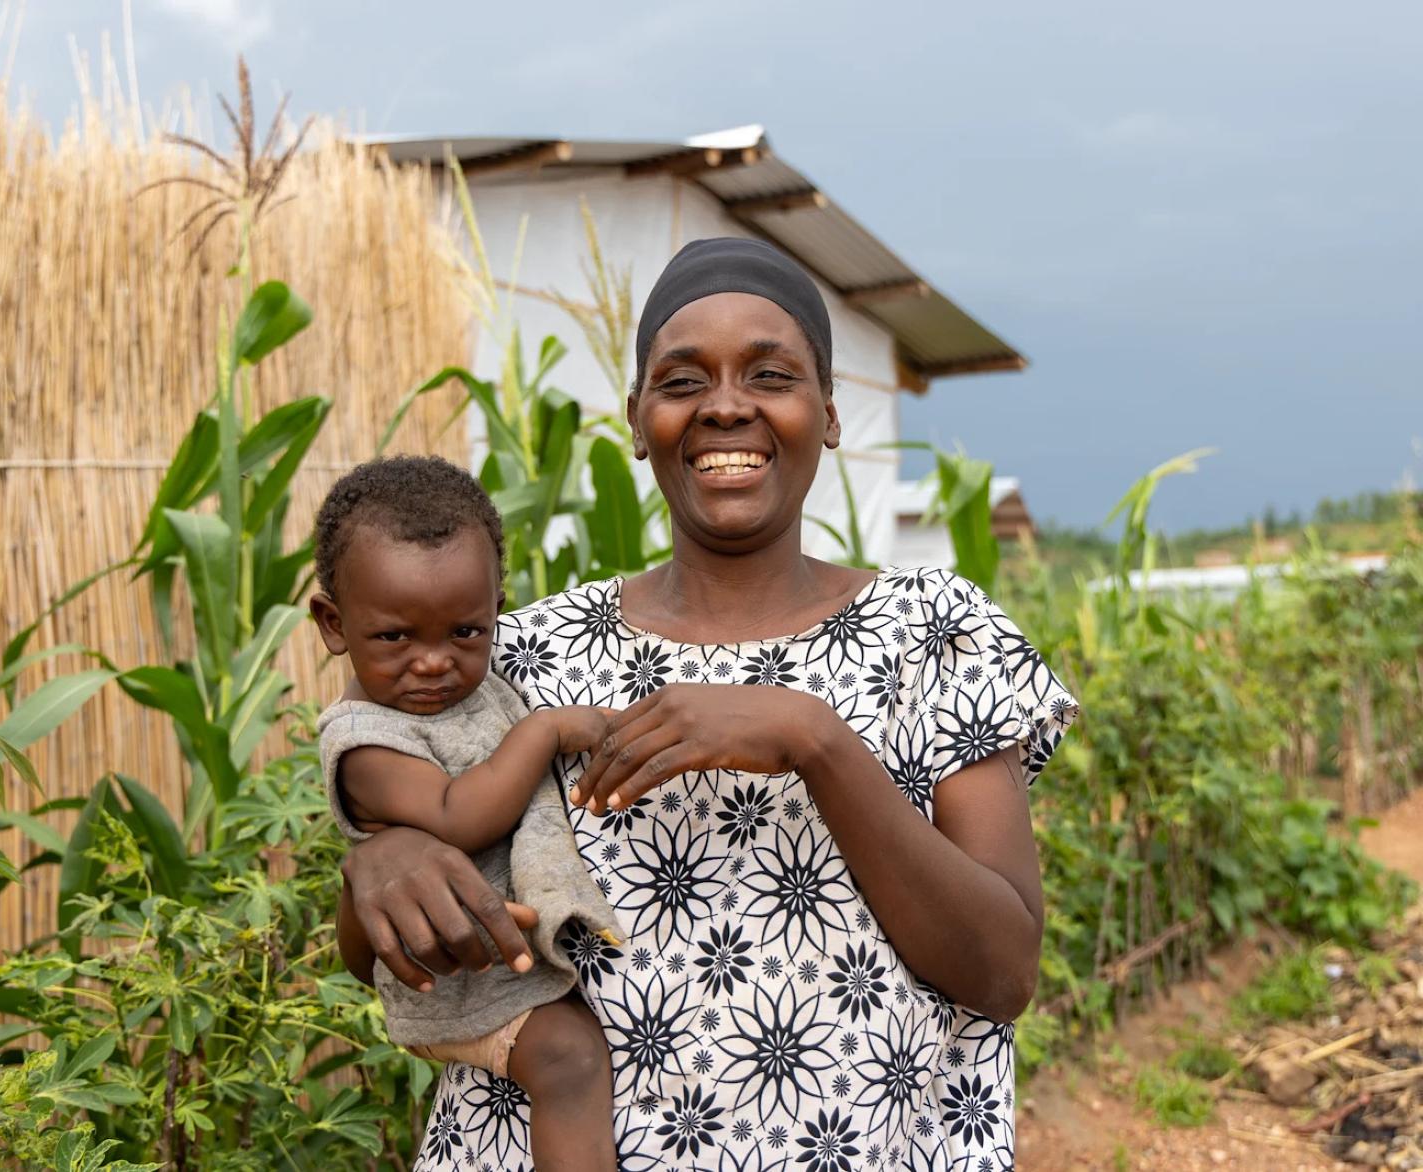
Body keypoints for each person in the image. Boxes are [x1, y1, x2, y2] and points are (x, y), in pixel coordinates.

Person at [336, 237, 1078, 1170]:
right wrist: (380, 864)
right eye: (683, 381)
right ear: (640, 424)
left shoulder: (938, 631)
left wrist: (813, 737)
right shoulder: (516, 655)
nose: (727, 404)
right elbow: (381, 942)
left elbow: (1002, 972)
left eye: (771, 374)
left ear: (830, 414)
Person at [309, 455, 623, 1172]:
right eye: (395, 637)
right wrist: (542, 730)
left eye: (465, 633)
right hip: (456, 981)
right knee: (570, 1060)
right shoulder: (364, 739)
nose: (432, 663)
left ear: (495, 614)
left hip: (491, 965)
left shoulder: (474, 690)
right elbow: (455, 817)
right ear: (334, 623)